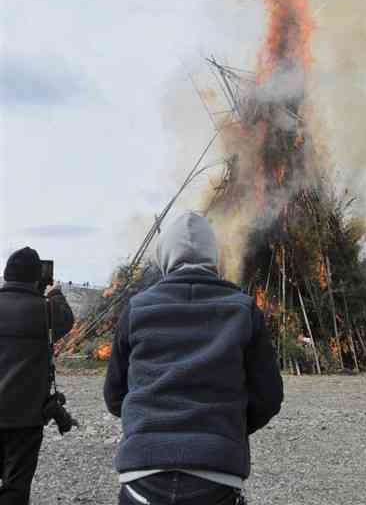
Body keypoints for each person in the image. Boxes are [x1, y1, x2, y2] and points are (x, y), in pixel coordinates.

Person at [104, 211, 284, 505]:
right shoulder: (243, 310)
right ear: (213, 256)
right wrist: (226, 426)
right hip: (216, 477)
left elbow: (114, 396)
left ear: (164, 256)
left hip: (141, 477)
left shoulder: (136, 309)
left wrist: (145, 421)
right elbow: (269, 396)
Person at [0, 247, 75, 504]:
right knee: (16, 486)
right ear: (37, 277)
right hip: (26, 417)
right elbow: (67, 319)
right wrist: (56, 294)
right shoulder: (46, 310)